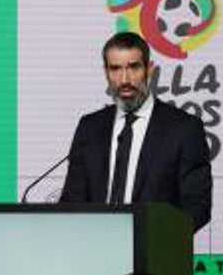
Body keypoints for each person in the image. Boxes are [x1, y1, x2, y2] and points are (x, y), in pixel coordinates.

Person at [59, 31, 212, 231]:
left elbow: (197, 207)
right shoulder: (90, 127)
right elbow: (72, 200)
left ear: (149, 69)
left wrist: (151, 241)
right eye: (115, 68)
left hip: (155, 255)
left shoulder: (184, 129)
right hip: (96, 253)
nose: (125, 79)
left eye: (133, 67)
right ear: (106, 73)